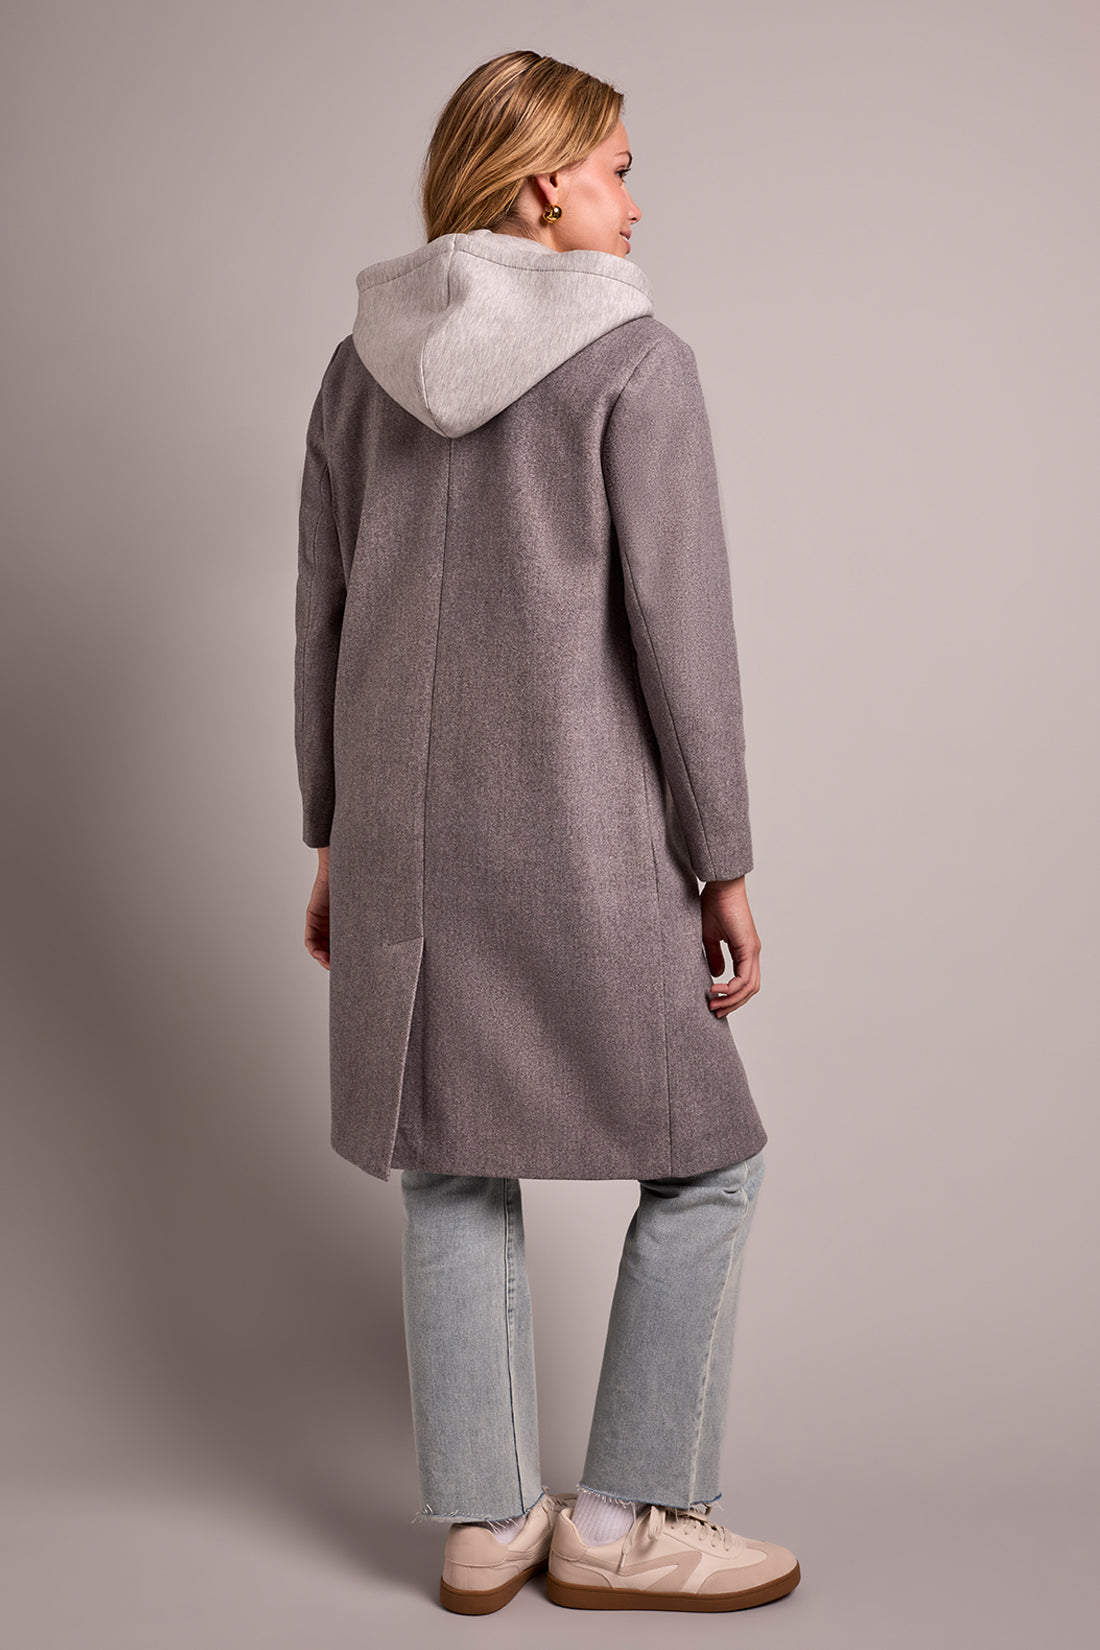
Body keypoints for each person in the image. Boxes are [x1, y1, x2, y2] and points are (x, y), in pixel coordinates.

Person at [294, 49, 801, 1615]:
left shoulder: (358, 369)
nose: (636, 201)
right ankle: (627, 1516)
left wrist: (332, 835)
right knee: (708, 1162)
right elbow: (682, 639)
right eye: (619, 168)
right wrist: (722, 858)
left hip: (402, 848)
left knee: (449, 1163)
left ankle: (484, 1521)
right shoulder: (636, 362)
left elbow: (325, 617)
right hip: (583, 848)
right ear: (543, 185)